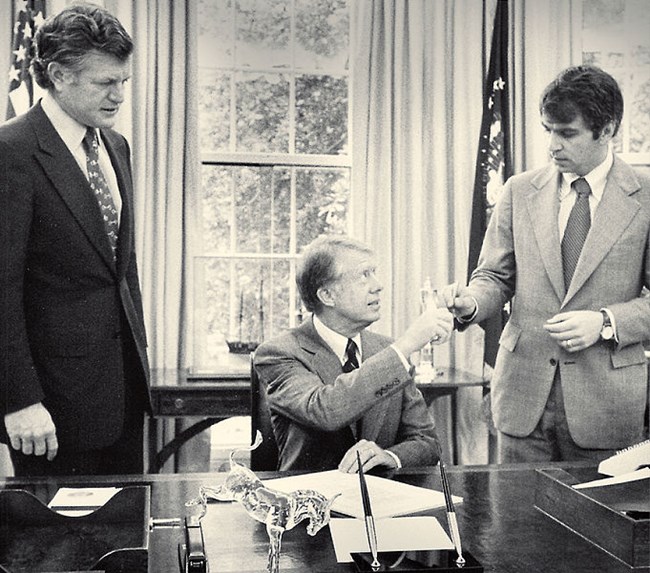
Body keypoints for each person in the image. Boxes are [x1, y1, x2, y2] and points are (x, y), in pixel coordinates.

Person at [440, 65, 650, 462]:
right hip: (522, 400)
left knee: (598, 525)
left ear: (606, 131)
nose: (553, 145)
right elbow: (493, 277)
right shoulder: (519, 190)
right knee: (513, 523)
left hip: (605, 407)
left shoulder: (646, 197)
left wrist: (605, 322)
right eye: (548, 130)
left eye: (567, 133)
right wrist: (470, 303)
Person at [0, 4, 151, 476]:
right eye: (105, 83)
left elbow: (119, 272)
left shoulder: (116, 146)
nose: (118, 95)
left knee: (128, 542)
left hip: (123, 396)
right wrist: (18, 400)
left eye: (123, 82)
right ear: (59, 75)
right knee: (55, 548)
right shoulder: (11, 152)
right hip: (49, 411)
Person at [254, 235, 454, 473]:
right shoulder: (279, 353)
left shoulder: (385, 350)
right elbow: (325, 409)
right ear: (327, 295)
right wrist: (408, 343)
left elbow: (427, 443)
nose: (378, 285)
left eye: (374, 272)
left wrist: (389, 456)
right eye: (364, 275)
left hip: (381, 503)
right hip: (310, 503)